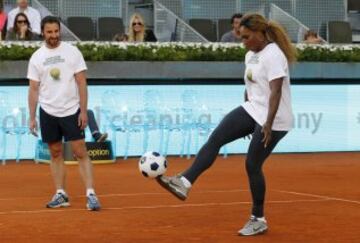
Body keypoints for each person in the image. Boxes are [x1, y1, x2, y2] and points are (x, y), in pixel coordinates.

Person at [156, 13, 296, 236]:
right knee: (217, 137)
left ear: (260, 34)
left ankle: (258, 218)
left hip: (275, 118)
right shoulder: (250, 53)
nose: (243, 42)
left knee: (252, 165)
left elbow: (276, 91)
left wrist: (267, 124)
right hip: (253, 109)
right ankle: (184, 181)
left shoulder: (274, 55)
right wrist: (246, 117)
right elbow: (251, 83)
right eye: (241, 37)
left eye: (246, 37)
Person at [27, 16, 101, 211]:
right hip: (48, 111)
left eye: (56, 31)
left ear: (60, 30)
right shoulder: (37, 57)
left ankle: (91, 194)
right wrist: (32, 116)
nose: (53, 35)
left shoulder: (72, 52)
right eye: (49, 32)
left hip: (71, 110)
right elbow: (33, 89)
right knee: (55, 153)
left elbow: (82, 82)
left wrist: (83, 111)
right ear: (43, 32)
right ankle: (61, 194)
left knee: (80, 152)